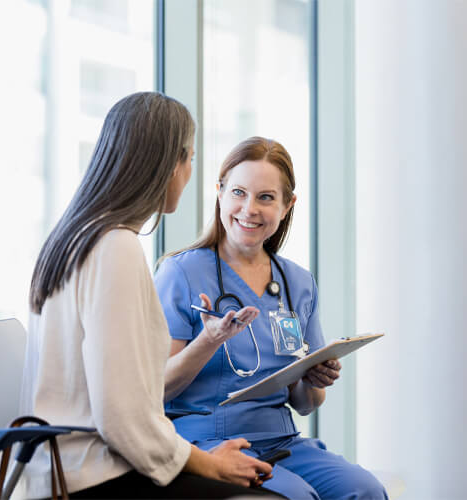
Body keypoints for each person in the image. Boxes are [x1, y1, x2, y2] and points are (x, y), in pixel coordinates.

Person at [18, 94, 279, 499]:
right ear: (169, 164)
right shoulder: (115, 247)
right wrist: (209, 462)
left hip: (61, 471)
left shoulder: (74, 238)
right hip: (94, 477)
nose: (190, 172)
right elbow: (122, 417)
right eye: (189, 158)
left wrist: (193, 455)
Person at [155, 136, 388, 499]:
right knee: (295, 496)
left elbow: (306, 404)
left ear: (287, 205)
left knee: (364, 490)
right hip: (206, 439)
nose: (249, 209)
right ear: (219, 193)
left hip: (281, 439)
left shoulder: (297, 282)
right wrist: (209, 341)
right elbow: (157, 389)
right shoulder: (180, 273)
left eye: (265, 197)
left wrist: (313, 378)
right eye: (238, 193)